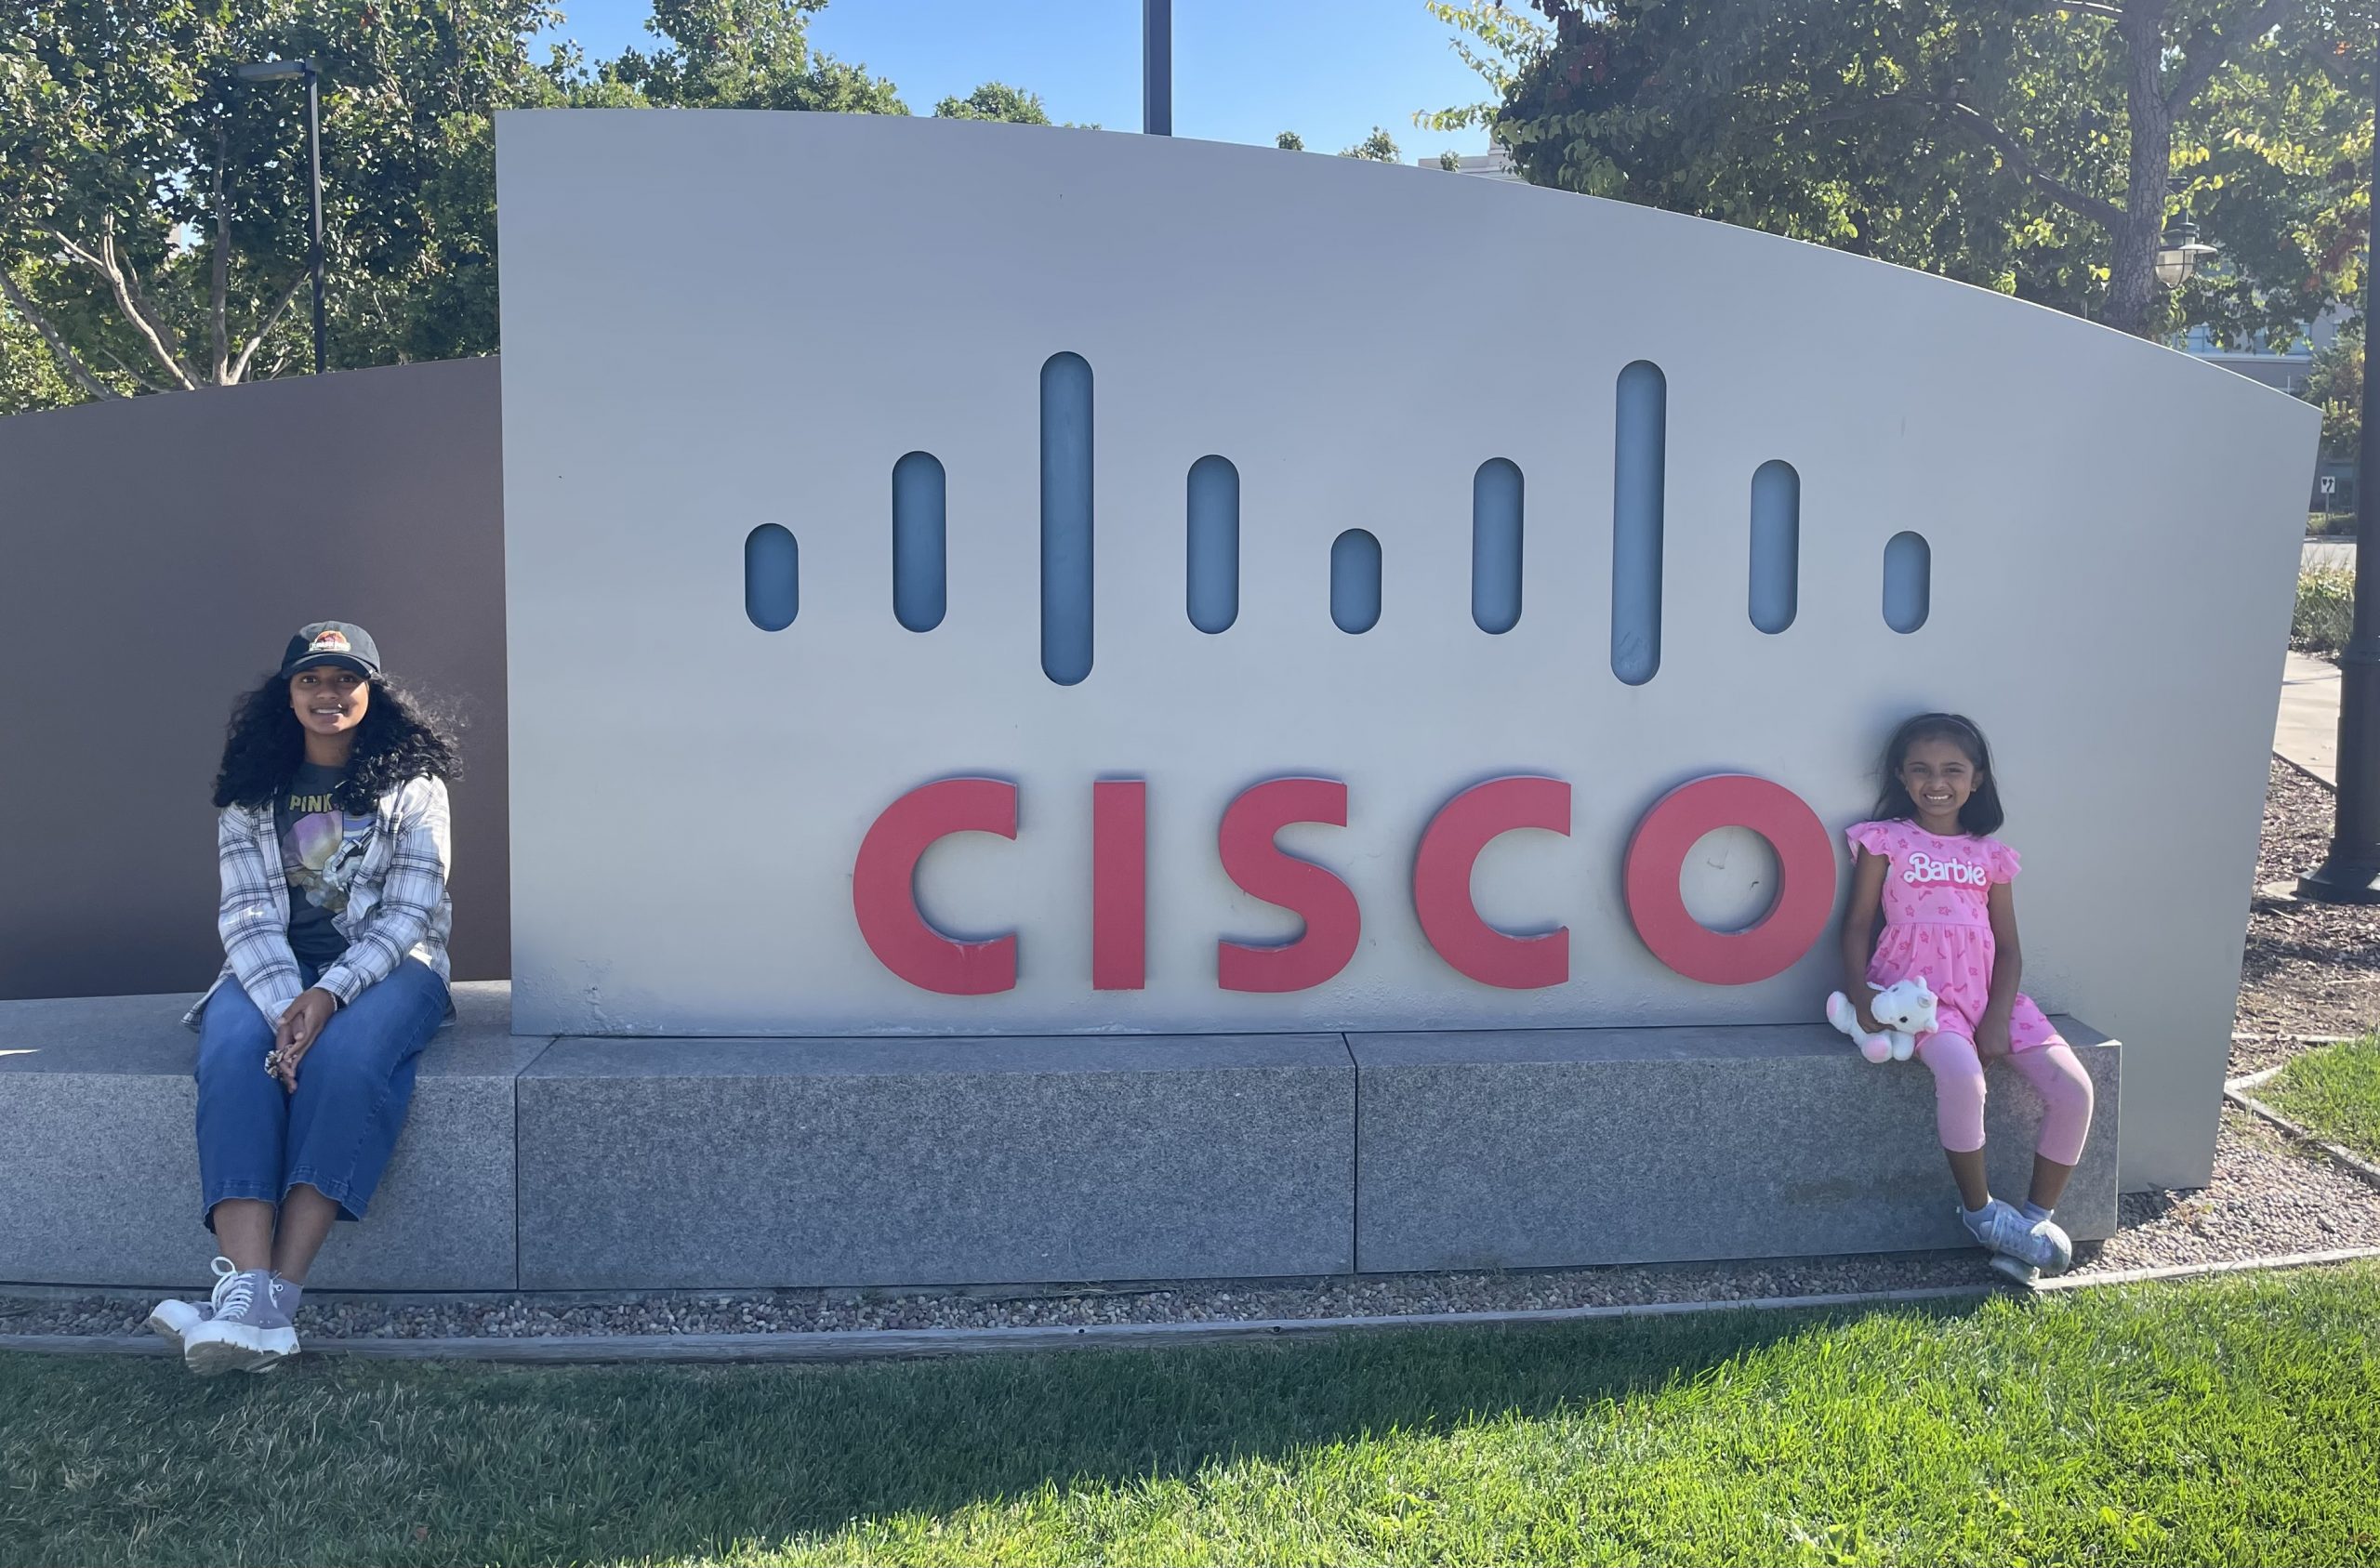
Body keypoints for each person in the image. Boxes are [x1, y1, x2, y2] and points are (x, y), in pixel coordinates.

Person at [148, 622, 458, 1374]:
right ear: (286, 694)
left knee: (344, 1062)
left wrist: (328, 994)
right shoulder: (254, 792)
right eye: (311, 679)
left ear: (373, 692)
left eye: (346, 679)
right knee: (232, 1054)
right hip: (271, 970)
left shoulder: (414, 786)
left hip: (391, 967)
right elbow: (247, 915)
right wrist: (289, 1005)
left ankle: (274, 1303)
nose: (329, 693)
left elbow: (408, 912)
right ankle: (246, 1293)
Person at [1840, 712, 2095, 1284]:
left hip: (1987, 995)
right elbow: (1855, 925)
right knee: (1963, 1077)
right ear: (1901, 776)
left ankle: (2030, 1227)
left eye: (1953, 769)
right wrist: (1860, 996)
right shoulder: (1885, 840)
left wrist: (1998, 1017)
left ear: (1976, 778)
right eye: (1921, 769)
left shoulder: (1991, 856)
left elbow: (2010, 948)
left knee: (2074, 1089)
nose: (1937, 781)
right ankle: (1981, 1215)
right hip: (1920, 997)